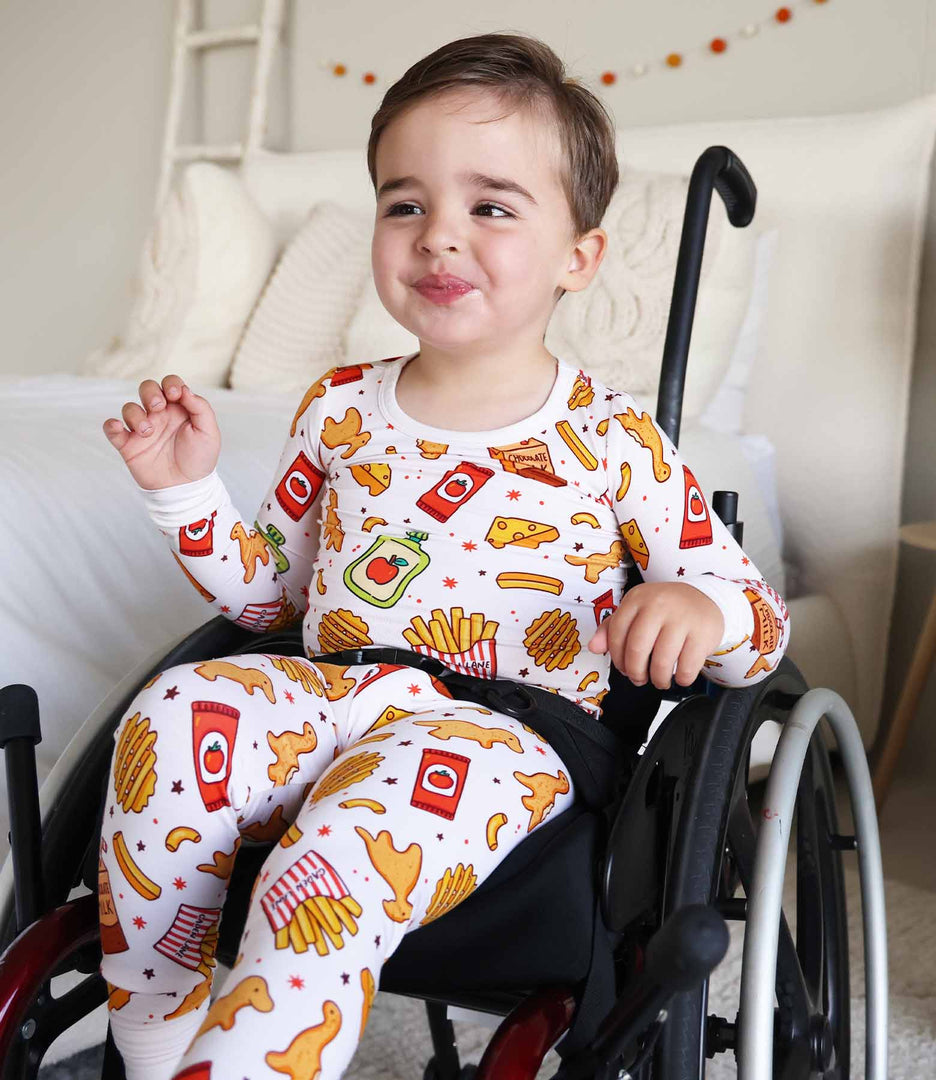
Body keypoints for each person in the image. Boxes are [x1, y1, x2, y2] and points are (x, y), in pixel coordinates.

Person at [97, 31, 789, 1080]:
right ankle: (156, 1046)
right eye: (404, 203)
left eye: (491, 207)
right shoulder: (338, 410)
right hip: (332, 688)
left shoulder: (612, 437)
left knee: (342, 847)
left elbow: (761, 621)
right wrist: (182, 487)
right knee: (175, 709)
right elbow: (266, 596)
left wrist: (703, 612)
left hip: (506, 732)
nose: (437, 238)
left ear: (579, 257)